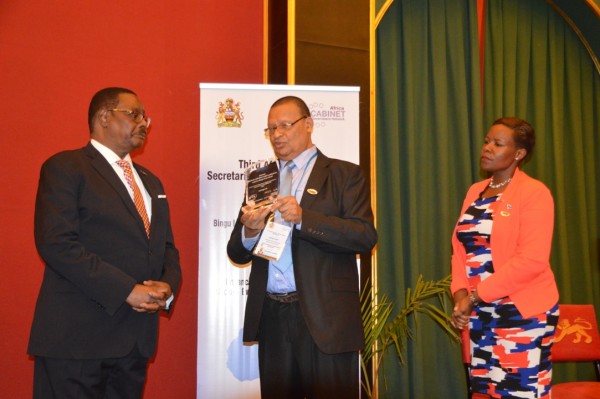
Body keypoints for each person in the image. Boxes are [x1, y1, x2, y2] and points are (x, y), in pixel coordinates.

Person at [28, 87, 182, 398]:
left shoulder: (151, 182)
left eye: (145, 118)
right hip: (77, 341)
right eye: (133, 114)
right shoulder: (66, 167)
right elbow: (57, 243)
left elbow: (165, 248)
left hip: (134, 343)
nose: (143, 123)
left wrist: (167, 287)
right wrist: (127, 290)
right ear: (103, 117)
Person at [227, 96, 377, 398]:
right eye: (271, 129)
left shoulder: (344, 174)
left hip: (326, 318)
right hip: (273, 317)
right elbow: (236, 251)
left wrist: (303, 218)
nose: (277, 134)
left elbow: (364, 236)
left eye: (285, 125)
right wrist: (250, 230)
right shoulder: (261, 179)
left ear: (308, 125)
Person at [450, 117, 559, 398]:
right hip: (482, 314)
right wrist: (461, 294)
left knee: (519, 393)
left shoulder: (534, 193)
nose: (487, 148)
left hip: (522, 314)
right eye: (487, 141)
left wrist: (475, 296)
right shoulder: (475, 191)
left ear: (519, 154)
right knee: (486, 393)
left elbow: (532, 260)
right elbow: (460, 250)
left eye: (498, 144)